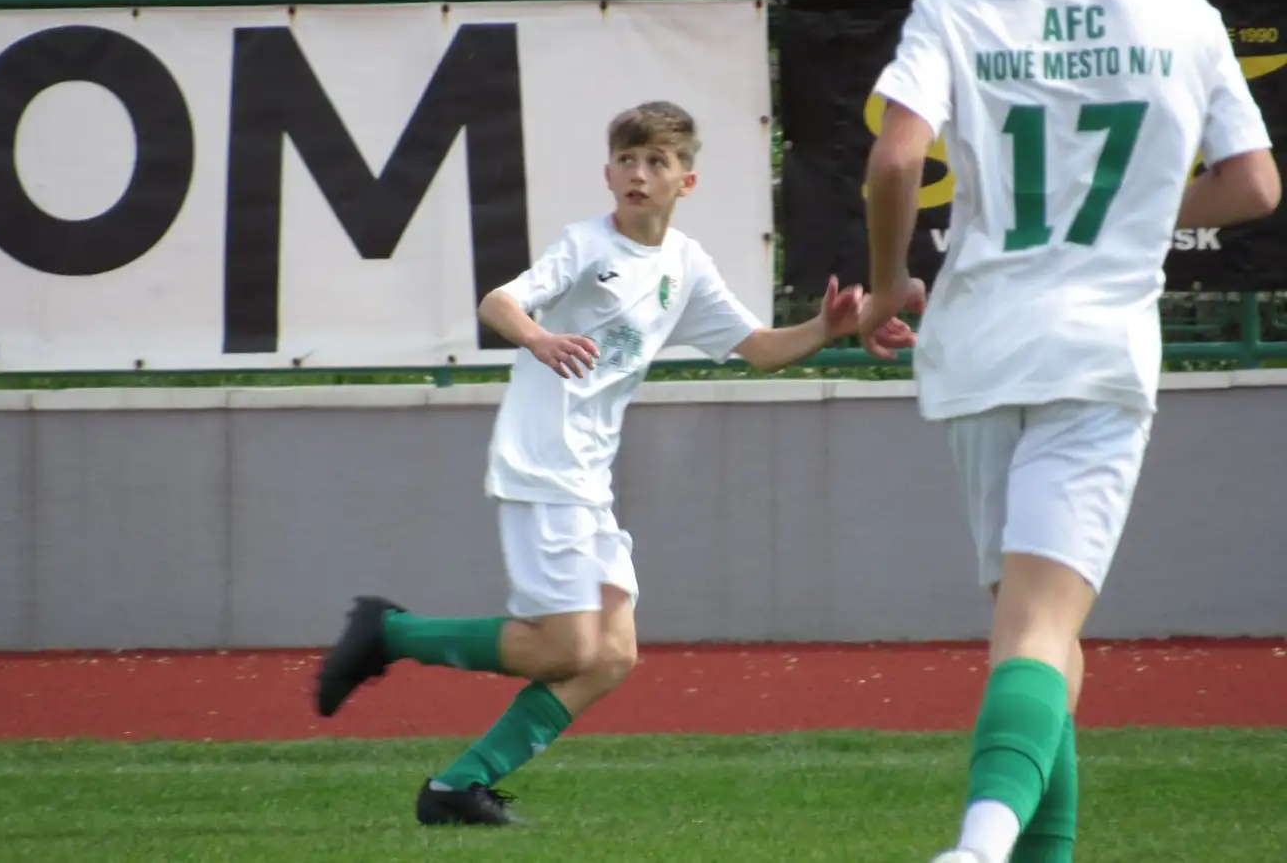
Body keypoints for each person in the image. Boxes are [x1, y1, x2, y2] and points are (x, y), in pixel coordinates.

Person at [314, 100, 915, 827]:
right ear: (608, 173)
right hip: (544, 462)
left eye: (656, 161)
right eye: (627, 160)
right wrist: (537, 337)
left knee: (611, 655)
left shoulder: (685, 265)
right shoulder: (587, 246)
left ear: (684, 183)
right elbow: (498, 301)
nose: (639, 173)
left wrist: (826, 327)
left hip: (587, 479)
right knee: (565, 647)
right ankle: (390, 635)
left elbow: (758, 348)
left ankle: (457, 789)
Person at [856, 0, 1281, 861]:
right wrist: (1138, 213)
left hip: (979, 343)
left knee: (1032, 630)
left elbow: (895, 159)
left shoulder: (957, 7)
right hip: (1097, 349)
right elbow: (1254, 185)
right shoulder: (1183, 12)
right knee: (1042, 631)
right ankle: (980, 845)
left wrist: (890, 283)